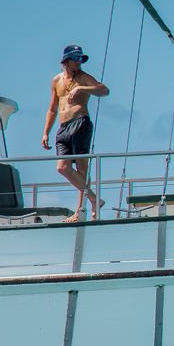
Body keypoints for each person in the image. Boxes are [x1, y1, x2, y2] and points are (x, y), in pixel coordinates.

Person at [42, 45, 109, 222]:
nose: (79, 63)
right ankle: (94, 199)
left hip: (80, 123)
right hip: (63, 127)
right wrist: (46, 132)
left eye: (81, 59)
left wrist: (81, 89)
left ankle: (81, 211)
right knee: (62, 167)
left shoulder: (84, 78)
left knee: (81, 169)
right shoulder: (56, 80)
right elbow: (52, 108)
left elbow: (104, 90)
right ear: (66, 60)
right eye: (76, 59)